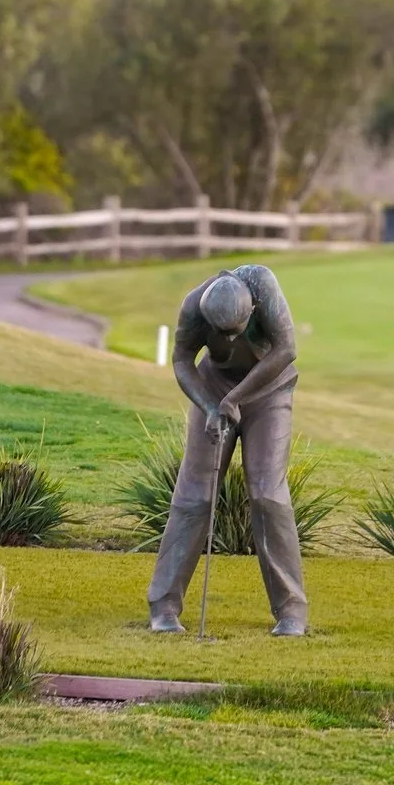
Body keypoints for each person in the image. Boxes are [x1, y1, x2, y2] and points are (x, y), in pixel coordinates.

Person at [146, 264, 307, 636]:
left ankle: (291, 611)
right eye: (222, 334)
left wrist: (235, 399)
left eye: (235, 332)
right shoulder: (193, 306)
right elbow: (182, 360)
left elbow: (286, 350)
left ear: (251, 311)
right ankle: (164, 606)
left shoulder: (264, 286)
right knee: (195, 494)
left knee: (267, 492)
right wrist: (209, 405)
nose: (230, 341)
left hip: (269, 389)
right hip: (214, 387)